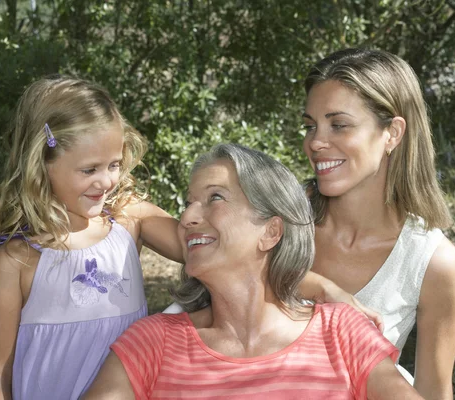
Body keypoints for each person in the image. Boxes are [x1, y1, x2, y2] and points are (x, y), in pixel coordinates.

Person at [82, 143, 422, 400]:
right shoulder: (151, 342)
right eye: (188, 203)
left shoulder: (343, 333)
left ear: (271, 232)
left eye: (215, 197)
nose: (187, 218)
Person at [0, 75, 183, 400]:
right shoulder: (16, 263)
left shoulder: (128, 220)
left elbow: (199, 249)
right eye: (89, 170)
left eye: (114, 164)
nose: (107, 181)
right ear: (42, 163)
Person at [301, 48, 455, 398]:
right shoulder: (281, 216)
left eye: (339, 125)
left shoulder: (433, 263)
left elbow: (434, 392)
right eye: (310, 125)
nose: (315, 142)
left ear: (392, 133)